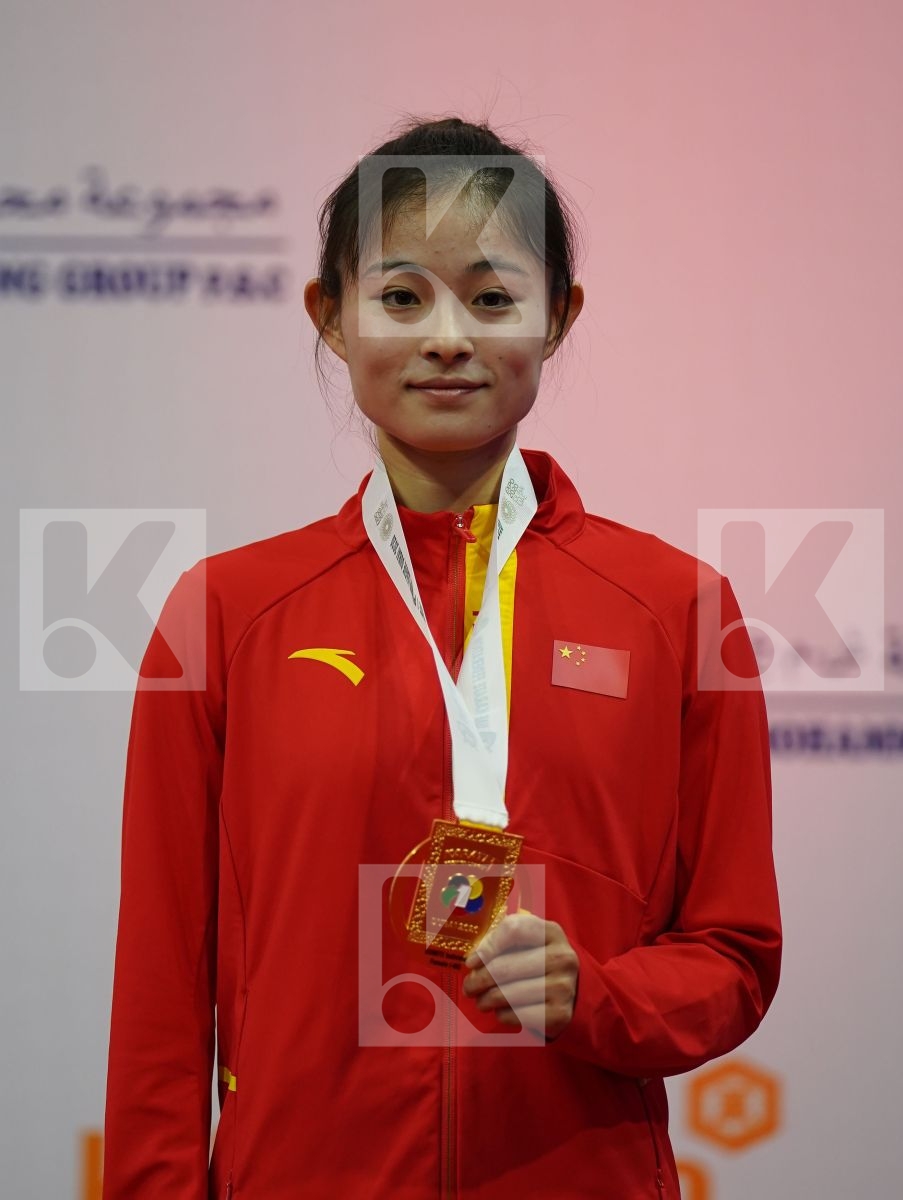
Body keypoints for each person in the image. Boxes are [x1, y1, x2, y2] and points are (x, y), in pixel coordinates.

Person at [102, 115, 782, 1199]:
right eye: (403, 295)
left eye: (495, 297)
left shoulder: (677, 611)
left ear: (560, 318)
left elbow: (736, 953)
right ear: (330, 316)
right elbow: (160, 992)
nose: (449, 336)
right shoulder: (225, 614)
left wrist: (597, 995)